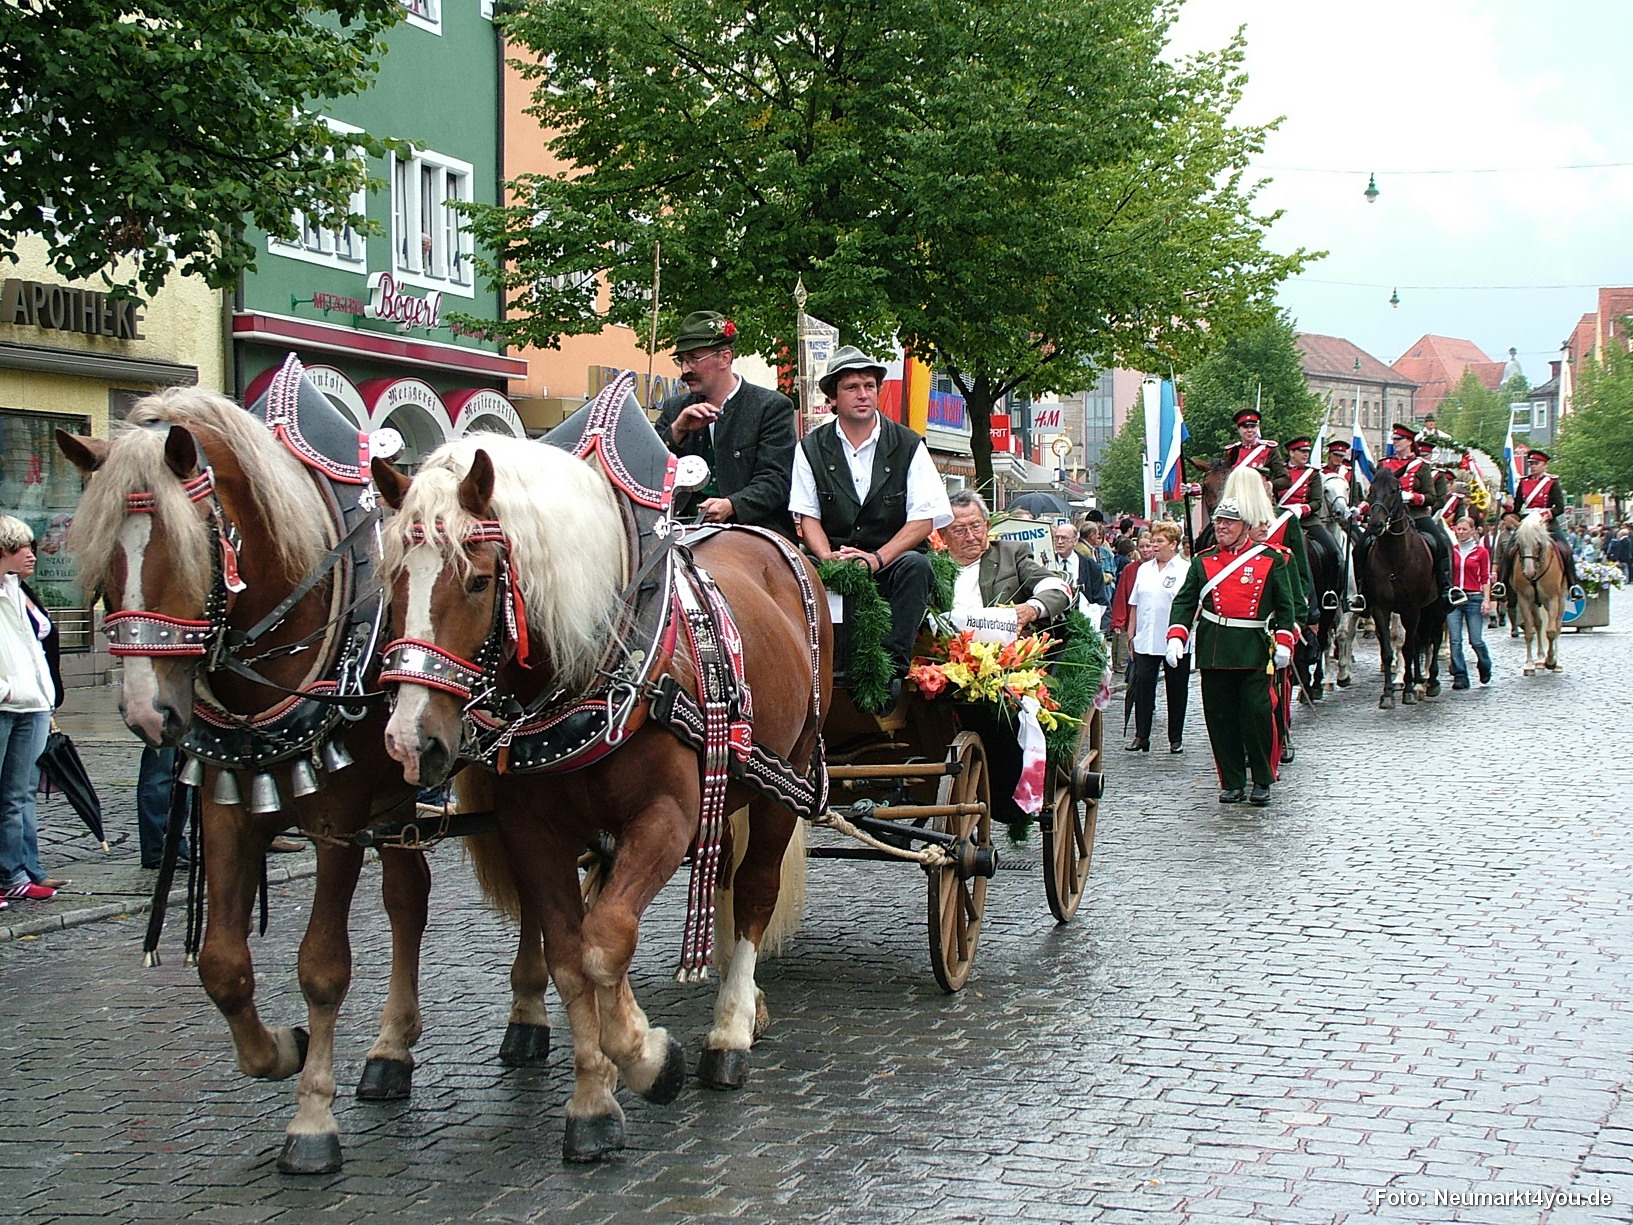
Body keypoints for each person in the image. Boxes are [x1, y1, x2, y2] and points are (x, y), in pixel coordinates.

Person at [791, 345, 952, 681]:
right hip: (835, 557)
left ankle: (891, 671)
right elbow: (808, 516)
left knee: (917, 566)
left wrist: (877, 558)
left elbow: (924, 518)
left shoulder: (908, 444)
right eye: (851, 387)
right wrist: (829, 557)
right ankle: (814, 668)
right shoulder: (811, 447)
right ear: (832, 398)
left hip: (891, 558)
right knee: (796, 573)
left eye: (869, 386)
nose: (862, 394)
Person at [940, 490, 1071, 825]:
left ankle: (1007, 797)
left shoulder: (1011, 554)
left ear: (987, 525)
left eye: (976, 526)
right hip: (941, 659)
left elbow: (1056, 588)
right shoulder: (930, 565)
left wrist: (1031, 608)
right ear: (942, 534)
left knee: (999, 710)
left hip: (1000, 664)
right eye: (959, 530)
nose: (971, 536)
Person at [1164, 482, 1298, 808]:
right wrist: (1176, 637)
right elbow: (1184, 603)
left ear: (1246, 527)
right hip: (1215, 649)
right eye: (1219, 522)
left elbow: (1285, 606)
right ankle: (1233, 781)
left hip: (1253, 649)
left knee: (1256, 716)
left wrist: (1284, 642)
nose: (1221, 528)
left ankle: (1263, 778)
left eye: (1229, 523)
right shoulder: (1203, 561)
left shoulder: (1270, 560)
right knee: (1220, 719)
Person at [653, 310, 796, 536]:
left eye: (694, 359)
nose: (685, 370)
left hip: (754, 534)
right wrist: (677, 431)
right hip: (682, 533)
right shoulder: (675, 409)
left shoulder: (771, 407)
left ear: (725, 358)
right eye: (681, 360)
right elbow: (649, 471)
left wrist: (732, 505)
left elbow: (776, 479)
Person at [0, 516, 65, 903]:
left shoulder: (18, 590)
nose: (30, 555)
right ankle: (12, 872)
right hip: (9, 702)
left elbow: (37, 643)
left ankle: (18, 870)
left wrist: (45, 694)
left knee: (19, 794)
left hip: (33, 703)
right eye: (19, 547)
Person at [1353, 424, 1463, 609]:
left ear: (1409, 442)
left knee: (1441, 544)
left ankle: (1446, 589)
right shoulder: (1384, 464)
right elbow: (1374, 495)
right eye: (1394, 439)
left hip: (1416, 515)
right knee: (1360, 548)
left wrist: (1411, 497)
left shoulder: (1421, 466)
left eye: (1399, 440)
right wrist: (1361, 508)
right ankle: (1363, 594)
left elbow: (1431, 496)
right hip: (1388, 517)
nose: (1395, 443)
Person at [1125, 522, 1190, 754]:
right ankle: (1142, 735)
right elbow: (1134, 603)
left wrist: (1185, 632)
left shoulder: (1184, 569)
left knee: (1177, 688)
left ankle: (1175, 737)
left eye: (1159, 541)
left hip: (1175, 639)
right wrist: (1131, 634)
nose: (1154, 546)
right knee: (1143, 686)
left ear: (1173, 544)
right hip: (1146, 638)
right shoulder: (1144, 569)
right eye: (1153, 541)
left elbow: (1194, 605)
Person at [1510, 448, 1584, 600]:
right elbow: (1517, 507)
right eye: (1531, 463)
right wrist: (1507, 509)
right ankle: (1503, 583)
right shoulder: (1523, 483)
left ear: (1544, 465)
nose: (1533, 466)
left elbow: (1559, 507)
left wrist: (1544, 515)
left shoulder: (1552, 482)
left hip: (1547, 523)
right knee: (1509, 549)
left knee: (1565, 549)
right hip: (1527, 523)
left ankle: (1572, 584)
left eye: (1536, 463)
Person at [1447, 517, 1492, 690]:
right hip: (1456, 598)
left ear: (1473, 531)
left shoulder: (1481, 552)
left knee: (1476, 640)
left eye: (1465, 529)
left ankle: (1484, 663)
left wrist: (1486, 600)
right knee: (1455, 639)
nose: (1462, 533)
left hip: (1474, 597)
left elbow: (1485, 577)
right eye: (1459, 529)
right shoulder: (1452, 551)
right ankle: (1460, 675)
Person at [1223, 406, 1289, 496]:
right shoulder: (1231, 451)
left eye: (1253, 426)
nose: (1249, 430)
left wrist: (1268, 485)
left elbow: (1286, 480)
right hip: (1236, 497)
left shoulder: (1269, 449)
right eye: (1245, 427)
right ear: (1238, 429)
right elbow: (1224, 478)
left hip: (1260, 497)